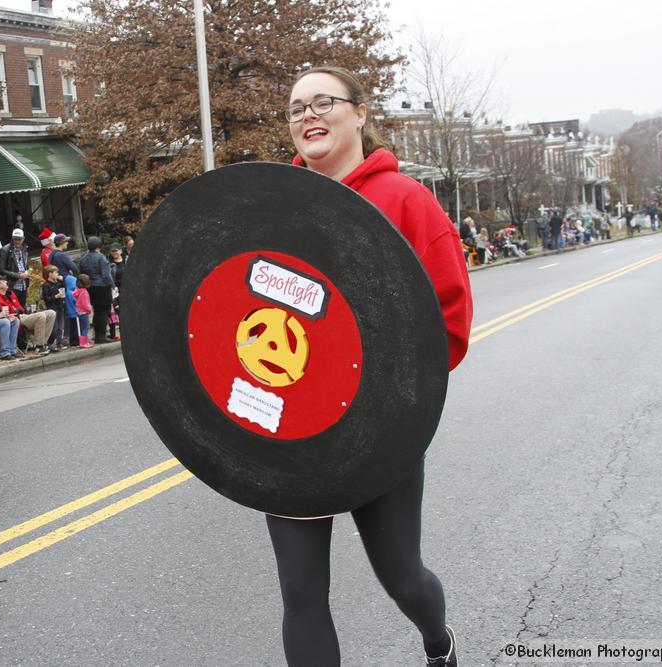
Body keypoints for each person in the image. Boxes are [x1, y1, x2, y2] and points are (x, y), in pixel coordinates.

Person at [270, 66, 472, 667]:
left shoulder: (405, 199)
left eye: (323, 101)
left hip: (380, 431)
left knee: (402, 578)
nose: (308, 114)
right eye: (296, 107)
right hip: (292, 435)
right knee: (301, 594)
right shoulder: (273, 206)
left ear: (359, 114)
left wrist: (387, 391)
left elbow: (450, 323)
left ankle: (440, 644)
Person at [0, 276, 54, 355]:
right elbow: (4, 311)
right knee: (41, 315)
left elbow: (19, 307)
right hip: (14, 318)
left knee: (51, 313)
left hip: (23, 315)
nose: (7, 282)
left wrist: (20, 309)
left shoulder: (10, 293)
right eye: (4, 281)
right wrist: (16, 310)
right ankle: (39, 346)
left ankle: (44, 343)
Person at [79, 236, 115, 343]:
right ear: (99, 247)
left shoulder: (83, 259)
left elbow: (82, 274)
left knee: (97, 311)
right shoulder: (101, 257)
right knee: (104, 311)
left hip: (90, 287)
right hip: (102, 287)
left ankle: (97, 336)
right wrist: (112, 285)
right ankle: (102, 336)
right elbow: (106, 274)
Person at [0, 229, 31, 307]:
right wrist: (18, 275)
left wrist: (28, 272)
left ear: (23, 239)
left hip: (23, 285)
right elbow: (1, 269)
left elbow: (25, 265)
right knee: (14, 309)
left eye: (19, 239)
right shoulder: (5, 250)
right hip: (12, 285)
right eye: (15, 239)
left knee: (23, 309)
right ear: (12, 238)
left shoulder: (24, 249)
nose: (17, 241)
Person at [41, 265, 68, 351]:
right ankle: (51, 343)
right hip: (52, 308)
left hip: (60, 306)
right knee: (54, 327)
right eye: (56, 273)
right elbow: (46, 298)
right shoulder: (46, 285)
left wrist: (63, 281)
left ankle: (59, 343)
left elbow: (64, 289)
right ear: (50, 274)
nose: (57, 274)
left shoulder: (58, 283)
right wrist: (56, 296)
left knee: (60, 326)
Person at [107, 244, 126, 341]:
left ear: (121, 251)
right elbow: (110, 278)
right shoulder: (110, 264)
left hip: (127, 289)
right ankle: (114, 333)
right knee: (116, 311)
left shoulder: (127, 261)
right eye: (112, 251)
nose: (115, 253)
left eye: (116, 250)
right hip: (115, 290)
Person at [72, 273, 93, 349]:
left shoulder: (77, 291)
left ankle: (84, 342)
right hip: (84, 311)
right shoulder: (84, 292)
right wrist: (89, 309)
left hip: (79, 311)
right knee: (86, 327)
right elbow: (85, 303)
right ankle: (83, 343)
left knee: (83, 327)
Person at [63, 269, 79, 348]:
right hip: (75, 312)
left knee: (71, 328)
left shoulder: (66, 292)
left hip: (69, 313)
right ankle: (77, 340)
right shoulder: (73, 292)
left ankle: (72, 341)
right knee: (76, 328)